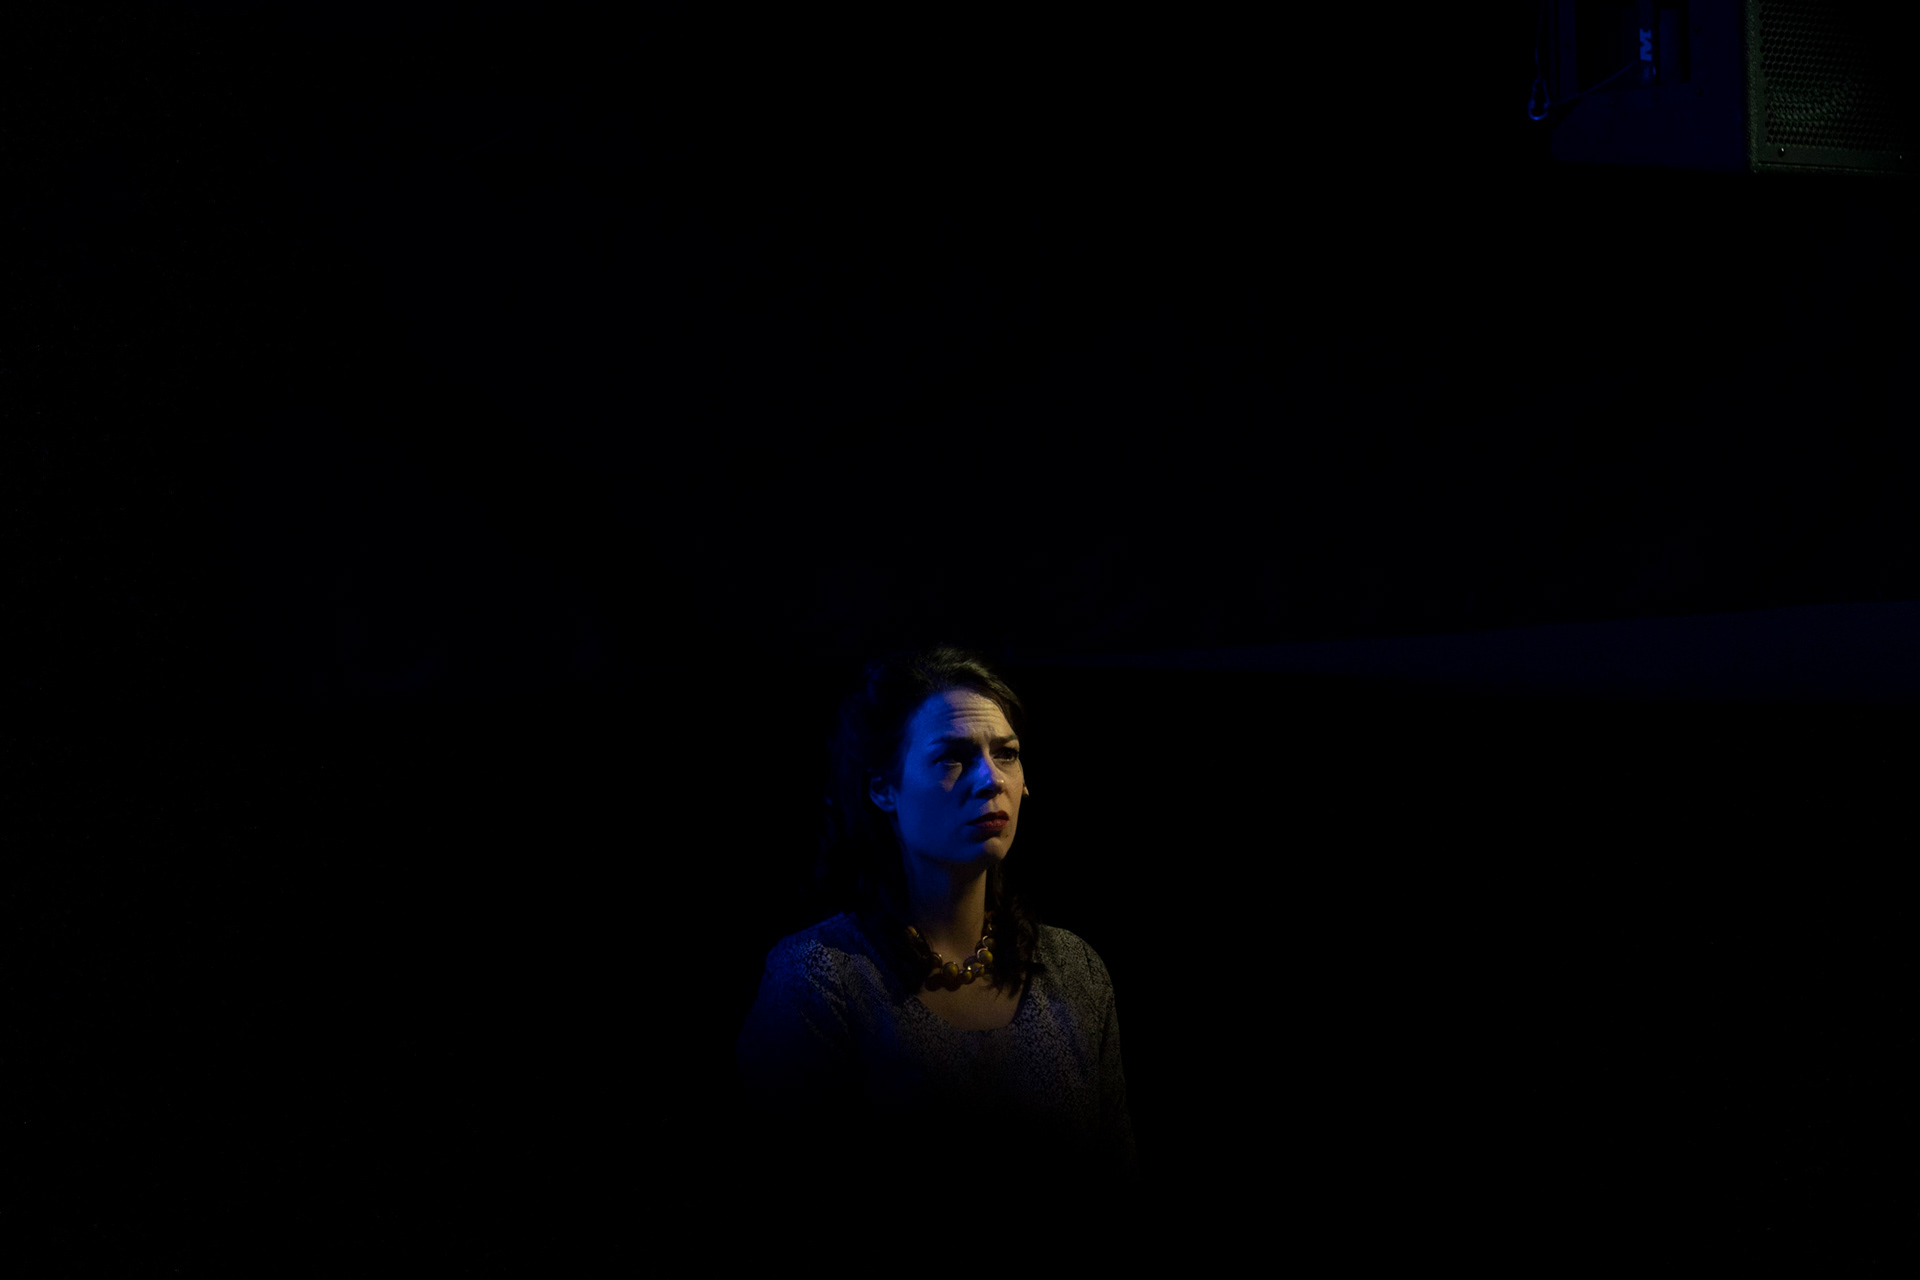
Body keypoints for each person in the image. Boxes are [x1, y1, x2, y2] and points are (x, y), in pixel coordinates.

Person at [735, 644, 1139, 1207]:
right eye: (953, 757)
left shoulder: (1074, 971)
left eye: (1007, 754)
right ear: (884, 788)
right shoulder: (817, 978)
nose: (990, 780)